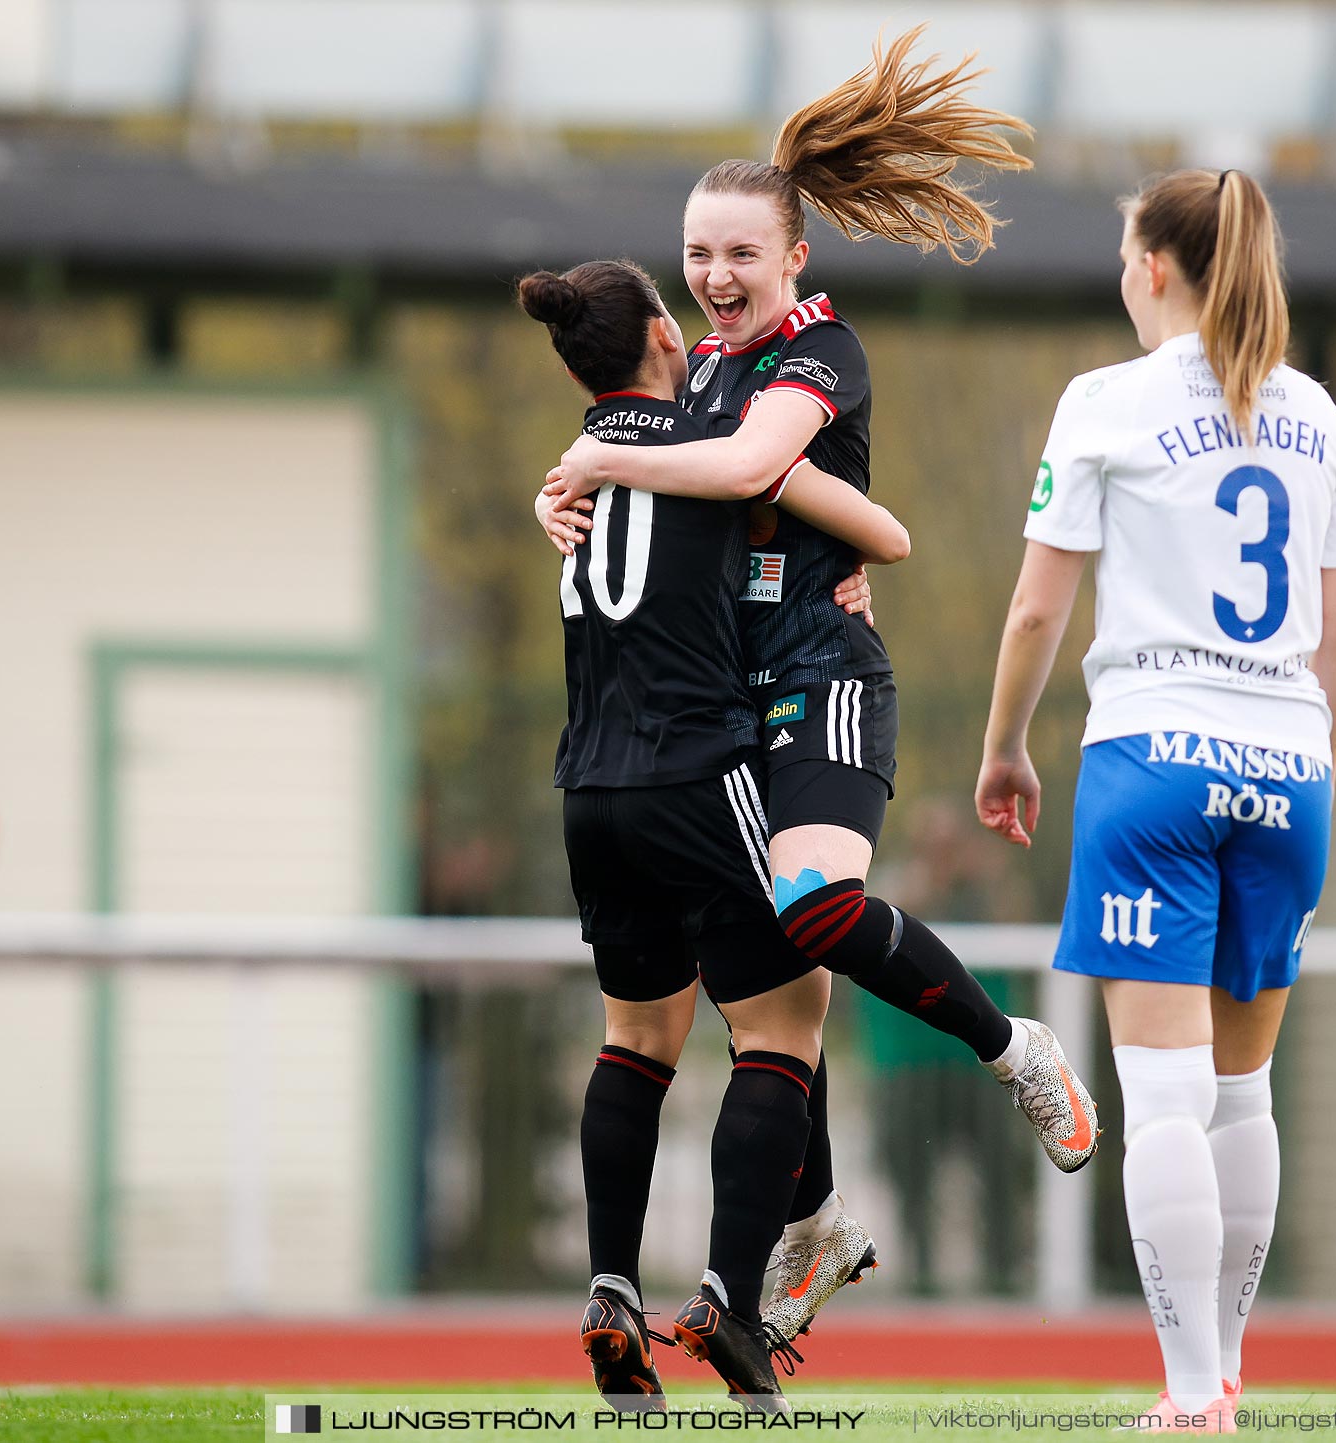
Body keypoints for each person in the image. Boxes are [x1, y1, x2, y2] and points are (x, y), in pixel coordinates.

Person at [537, 28, 1100, 1348]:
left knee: (814, 903)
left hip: (826, 679)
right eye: (702, 251)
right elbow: (699, 477)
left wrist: (600, 458)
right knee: (773, 973)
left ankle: (1014, 1047)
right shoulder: (710, 370)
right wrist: (573, 472)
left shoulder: (818, 353)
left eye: (744, 252)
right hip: (741, 694)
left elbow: (748, 472)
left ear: (796, 259)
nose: (718, 272)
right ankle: (819, 1223)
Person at [975, 168, 1336, 1435]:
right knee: (1243, 1096)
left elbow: (1041, 605)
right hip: (1288, 765)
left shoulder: (1106, 401)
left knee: (1162, 1101)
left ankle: (1194, 1396)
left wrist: (1005, 747)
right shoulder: (1317, 416)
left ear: (1152, 269)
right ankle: (1235, 1370)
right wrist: (1313, 762)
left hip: (1153, 757)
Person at [519, 258, 909, 1409]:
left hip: (590, 792)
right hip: (699, 777)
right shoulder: (707, 447)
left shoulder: (575, 485)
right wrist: (850, 564)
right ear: (656, 330)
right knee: (785, 1028)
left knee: (636, 1041)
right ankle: (732, 1300)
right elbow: (826, 518)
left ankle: (607, 1291)